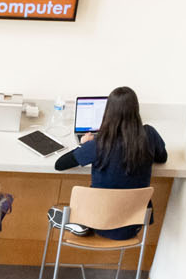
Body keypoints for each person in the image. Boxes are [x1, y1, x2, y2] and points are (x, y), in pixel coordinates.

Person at [50, 86, 166, 239]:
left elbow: (60, 164)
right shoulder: (149, 135)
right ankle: (81, 222)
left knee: (52, 211)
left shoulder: (99, 144)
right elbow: (162, 157)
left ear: (108, 112)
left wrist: (83, 145)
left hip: (98, 222)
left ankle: (81, 222)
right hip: (132, 227)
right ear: (136, 111)